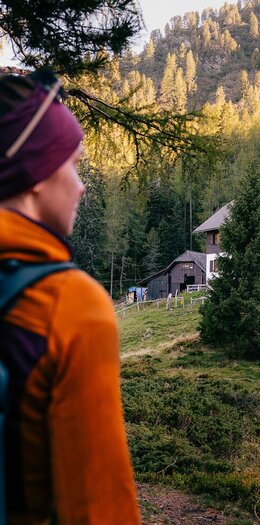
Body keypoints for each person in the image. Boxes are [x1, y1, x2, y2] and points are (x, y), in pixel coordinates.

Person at [0, 72, 141, 524]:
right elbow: (99, 512)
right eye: (73, 163)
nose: (81, 185)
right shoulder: (70, 305)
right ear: (35, 172)